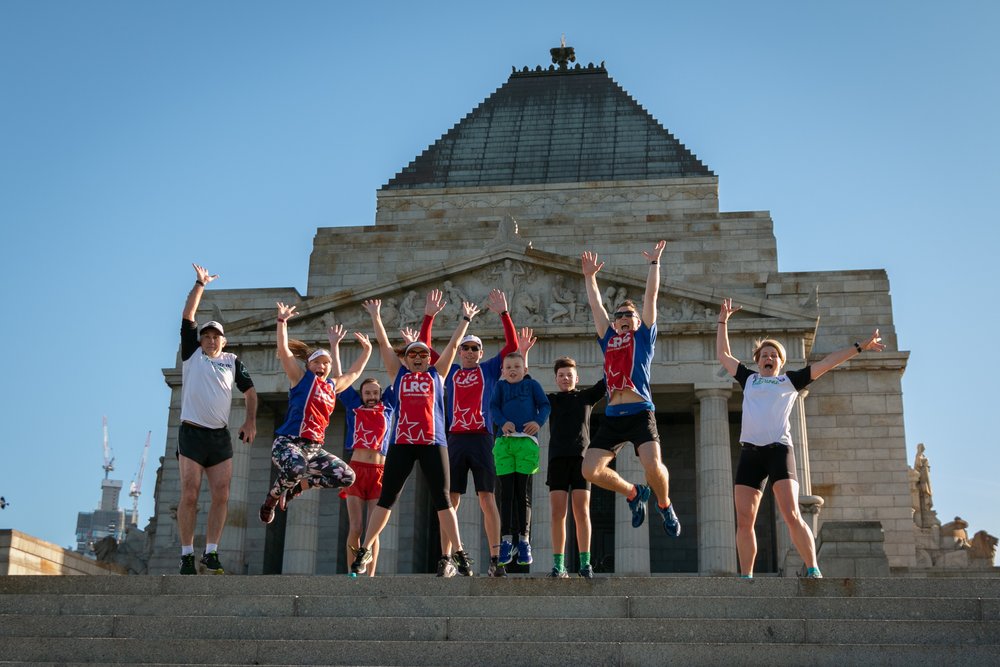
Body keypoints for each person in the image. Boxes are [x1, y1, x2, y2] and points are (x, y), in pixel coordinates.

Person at [716, 297, 885, 578]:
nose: (769, 358)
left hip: (779, 451)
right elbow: (723, 354)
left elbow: (828, 362)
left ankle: (813, 568)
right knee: (745, 521)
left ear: (781, 363)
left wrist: (859, 347)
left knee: (792, 514)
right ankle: (746, 577)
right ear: (757, 361)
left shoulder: (790, 381)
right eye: (764, 355)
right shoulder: (748, 379)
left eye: (774, 356)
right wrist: (722, 321)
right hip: (751, 454)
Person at [350, 296, 479, 577]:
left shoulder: (438, 374)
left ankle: (458, 552)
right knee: (387, 498)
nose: (419, 358)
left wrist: (465, 320)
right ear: (406, 359)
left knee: (443, 499)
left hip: (434, 443)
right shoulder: (398, 376)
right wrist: (376, 317)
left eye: (423, 354)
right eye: (413, 355)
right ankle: (365, 548)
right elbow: (384, 345)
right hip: (403, 444)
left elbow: (455, 346)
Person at [580, 241, 681, 538]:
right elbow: (596, 306)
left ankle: (664, 504)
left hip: (640, 411)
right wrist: (589, 277)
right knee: (589, 470)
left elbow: (651, 296)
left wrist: (654, 265)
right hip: (613, 414)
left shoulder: (644, 338)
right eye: (619, 316)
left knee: (653, 465)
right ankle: (634, 493)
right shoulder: (607, 338)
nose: (623, 319)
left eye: (628, 315)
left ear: (638, 321)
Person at [421, 289, 518, 577]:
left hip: (483, 438)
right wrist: (429, 315)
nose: (470, 352)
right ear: (459, 351)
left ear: (481, 353)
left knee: (487, 498)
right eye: (465, 348)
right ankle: (446, 558)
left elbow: (513, 345)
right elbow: (424, 347)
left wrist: (504, 313)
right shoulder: (448, 372)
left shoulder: (488, 370)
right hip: (455, 439)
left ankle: (495, 559)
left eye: (475, 348)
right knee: (450, 500)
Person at [177, 264, 258, 575]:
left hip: (219, 436)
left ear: (224, 341)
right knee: (190, 492)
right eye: (206, 336)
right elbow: (187, 316)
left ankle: (210, 552)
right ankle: (186, 553)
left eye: (216, 337)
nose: (211, 340)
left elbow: (250, 392)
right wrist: (200, 284)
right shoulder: (191, 355)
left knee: (222, 494)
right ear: (200, 341)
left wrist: (250, 421)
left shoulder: (232, 361)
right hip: (192, 433)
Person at [258, 304, 372, 525]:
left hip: (313, 449)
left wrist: (367, 350)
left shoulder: (331, 386)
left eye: (326, 363)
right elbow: (283, 351)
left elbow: (354, 373)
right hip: (287, 444)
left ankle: (298, 487)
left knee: (347, 476)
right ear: (308, 365)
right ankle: (271, 500)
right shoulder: (301, 379)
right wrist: (282, 322)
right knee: (296, 467)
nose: (322, 366)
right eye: (317, 362)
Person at [490, 351, 550, 569]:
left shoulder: (532, 385)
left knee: (521, 493)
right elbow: (493, 407)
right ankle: (506, 540)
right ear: (503, 371)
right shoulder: (500, 387)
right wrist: (502, 422)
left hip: (526, 442)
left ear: (525, 370)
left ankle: (523, 541)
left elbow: (545, 405)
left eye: (517, 366)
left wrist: (538, 422)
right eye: (508, 367)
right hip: (504, 443)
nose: (513, 370)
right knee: (505, 494)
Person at [545, 357, 605, 578]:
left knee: (582, 511)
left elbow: (607, 380)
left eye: (569, 375)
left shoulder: (586, 397)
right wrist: (524, 354)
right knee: (558, 513)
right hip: (557, 460)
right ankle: (558, 565)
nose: (565, 378)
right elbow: (527, 387)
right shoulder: (550, 400)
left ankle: (585, 563)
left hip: (581, 460)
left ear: (576, 378)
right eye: (561, 375)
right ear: (556, 379)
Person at [338, 376, 394, 576]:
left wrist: (408, 346)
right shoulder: (353, 405)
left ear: (381, 394)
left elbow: (399, 374)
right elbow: (341, 379)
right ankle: (351, 573)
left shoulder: (388, 405)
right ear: (361, 395)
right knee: (356, 527)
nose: (371, 396)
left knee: (373, 529)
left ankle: (370, 576)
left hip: (379, 472)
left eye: (375, 393)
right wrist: (335, 347)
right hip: (357, 470)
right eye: (367, 393)